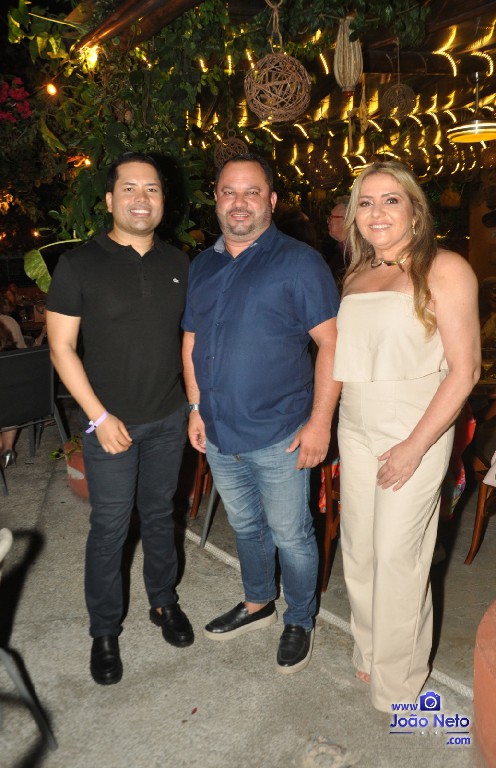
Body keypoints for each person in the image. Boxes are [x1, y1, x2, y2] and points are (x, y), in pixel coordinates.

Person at [182, 153, 341, 674]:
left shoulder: (299, 262)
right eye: (230, 191)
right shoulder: (202, 265)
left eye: (252, 192)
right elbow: (191, 341)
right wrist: (196, 407)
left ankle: (300, 618)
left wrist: (320, 423)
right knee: (247, 526)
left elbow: (332, 344)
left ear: (270, 201)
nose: (240, 202)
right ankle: (258, 603)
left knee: (291, 534)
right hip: (219, 431)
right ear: (216, 199)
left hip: (281, 433)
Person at [333, 160, 480, 711]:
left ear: (416, 212)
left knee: (399, 555)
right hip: (356, 419)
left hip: (415, 422)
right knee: (360, 549)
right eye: (366, 202)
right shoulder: (357, 272)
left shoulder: (445, 268)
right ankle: (371, 649)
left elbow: (465, 371)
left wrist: (416, 446)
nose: (377, 212)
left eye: (391, 200)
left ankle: (399, 679)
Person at [46, 152, 194, 686]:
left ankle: (163, 601)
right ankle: (104, 630)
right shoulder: (79, 264)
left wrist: (193, 406)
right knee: (109, 526)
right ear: (109, 200)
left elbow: (190, 340)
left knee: (160, 515)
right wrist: (99, 417)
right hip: (108, 422)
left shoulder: (180, 263)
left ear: (163, 200)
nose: (141, 198)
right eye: (129, 188)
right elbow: (62, 348)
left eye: (151, 189)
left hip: (168, 418)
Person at [321, 195, 350, 287]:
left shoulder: (363, 255)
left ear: (348, 220)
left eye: (332, 217)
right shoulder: (336, 252)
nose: (327, 221)